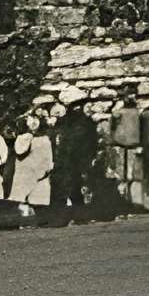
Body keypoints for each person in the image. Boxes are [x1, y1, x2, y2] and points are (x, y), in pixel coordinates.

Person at [52, 89, 101, 222]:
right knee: (73, 187)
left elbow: (92, 141)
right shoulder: (69, 122)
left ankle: (79, 215)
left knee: (79, 187)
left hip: (77, 159)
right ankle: (77, 215)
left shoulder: (84, 122)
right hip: (71, 159)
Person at [107, 85, 149, 214]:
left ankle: (134, 202)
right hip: (121, 146)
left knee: (135, 175)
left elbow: (143, 130)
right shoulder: (118, 114)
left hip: (133, 146)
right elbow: (112, 128)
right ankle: (122, 202)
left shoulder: (138, 113)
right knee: (122, 176)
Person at [10, 105, 56, 218]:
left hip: (41, 174)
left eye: (36, 120)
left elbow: (49, 156)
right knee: (22, 198)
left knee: (39, 198)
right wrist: (28, 136)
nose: (34, 123)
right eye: (31, 120)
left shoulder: (45, 139)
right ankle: (23, 220)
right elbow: (20, 151)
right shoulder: (23, 138)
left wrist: (48, 168)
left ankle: (40, 219)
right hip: (25, 173)